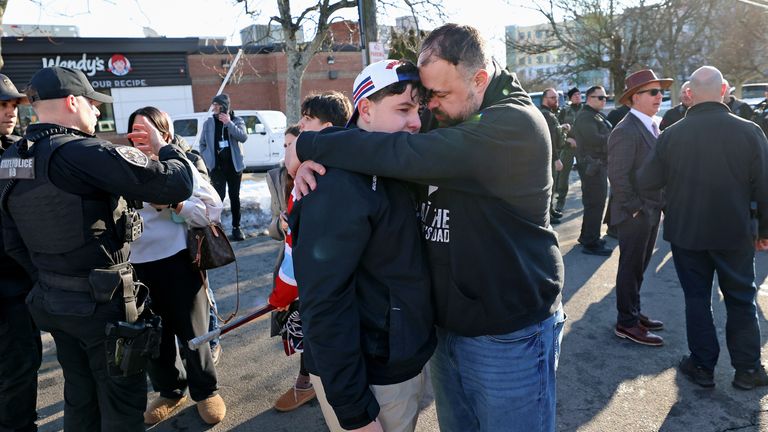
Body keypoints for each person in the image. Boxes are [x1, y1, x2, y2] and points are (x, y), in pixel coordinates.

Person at [288, 24, 565, 432]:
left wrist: (308, 145)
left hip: (508, 336)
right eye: (422, 98)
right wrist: (311, 163)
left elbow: (405, 151)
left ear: (480, 79)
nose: (427, 111)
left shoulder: (514, 125)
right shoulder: (452, 108)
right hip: (446, 332)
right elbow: (378, 131)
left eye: (437, 96)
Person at [0, 66, 193, 431]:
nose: (97, 112)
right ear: (73, 102)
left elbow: (12, 241)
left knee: (81, 397)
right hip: (103, 308)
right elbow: (177, 183)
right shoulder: (84, 152)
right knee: (121, 405)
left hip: (54, 302)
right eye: (93, 103)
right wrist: (166, 145)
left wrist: (51, 279)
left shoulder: (12, 159)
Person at [287, 59, 435, 432]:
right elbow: (324, 302)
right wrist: (354, 412)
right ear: (365, 109)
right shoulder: (335, 184)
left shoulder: (395, 160)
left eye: (419, 109)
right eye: (403, 109)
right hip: (372, 376)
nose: (416, 121)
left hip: (398, 360)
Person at [637, 65, 768, 390]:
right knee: (741, 298)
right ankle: (748, 370)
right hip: (734, 231)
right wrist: (764, 230)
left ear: (690, 95)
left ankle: (703, 366)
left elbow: (647, 181)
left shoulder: (671, 134)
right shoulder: (749, 131)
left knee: (697, 299)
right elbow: (764, 187)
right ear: (724, 90)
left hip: (687, 232)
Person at [127, 107, 226, 426]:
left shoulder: (179, 168)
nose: (140, 138)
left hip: (179, 263)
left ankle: (206, 390)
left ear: (165, 136)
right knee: (154, 337)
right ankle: (170, 390)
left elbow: (212, 211)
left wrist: (175, 203)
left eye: (148, 132)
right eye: (135, 132)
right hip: (136, 269)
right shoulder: (120, 168)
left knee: (193, 332)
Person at [269, 93, 353, 414]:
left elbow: (295, 264)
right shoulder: (299, 178)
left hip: (325, 301)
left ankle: (312, 386)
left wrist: (278, 298)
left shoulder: (315, 183)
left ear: (327, 128)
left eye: (307, 119)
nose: (300, 125)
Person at [607, 70, 671, 347]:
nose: (660, 97)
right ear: (635, 98)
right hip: (636, 213)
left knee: (640, 266)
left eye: (661, 92)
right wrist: (637, 209)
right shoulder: (625, 130)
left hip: (651, 209)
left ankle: (633, 311)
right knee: (630, 267)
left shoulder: (651, 125)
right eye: (653, 92)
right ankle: (626, 322)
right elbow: (618, 176)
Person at [0, 74, 41, 432]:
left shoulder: (20, 151)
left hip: (17, 288)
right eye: (1, 105)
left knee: (20, 370)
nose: (9, 112)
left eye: (13, 104)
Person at [198, 93, 248, 241]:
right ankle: (217, 229)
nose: (213, 108)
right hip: (217, 169)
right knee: (217, 199)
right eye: (213, 105)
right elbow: (202, 144)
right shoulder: (208, 123)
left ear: (223, 106)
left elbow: (243, 137)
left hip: (234, 168)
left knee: (234, 198)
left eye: (216, 105)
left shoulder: (237, 120)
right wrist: (209, 161)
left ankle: (236, 228)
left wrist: (229, 123)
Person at [573, 85, 613, 256]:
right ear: (589, 98)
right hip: (592, 165)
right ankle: (591, 243)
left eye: (605, 97)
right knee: (595, 203)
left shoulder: (594, 115)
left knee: (593, 203)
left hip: (597, 164)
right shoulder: (585, 117)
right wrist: (613, 137)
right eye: (600, 97)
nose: (604, 100)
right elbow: (594, 139)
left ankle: (587, 236)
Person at [539, 87, 566, 223]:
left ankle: (551, 210)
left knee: (553, 184)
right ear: (545, 99)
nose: (557, 100)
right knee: (549, 185)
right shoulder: (545, 114)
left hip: (552, 155)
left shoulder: (550, 113)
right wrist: (556, 159)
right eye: (553, 98)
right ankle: (547, 215)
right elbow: (549, 139)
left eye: (557, 98)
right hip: (549, 157)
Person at [555, 87, 582, 214]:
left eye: (579, 94)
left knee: (587, 174)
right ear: (570, 98)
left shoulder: (586, 110)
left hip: (583, 148)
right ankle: (560, 201)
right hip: (568, 147)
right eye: (574, 95)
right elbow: (557, 130)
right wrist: (568, 140)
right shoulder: (564, 111)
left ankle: (587, 200)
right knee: (563, 175)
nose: (577, 96)